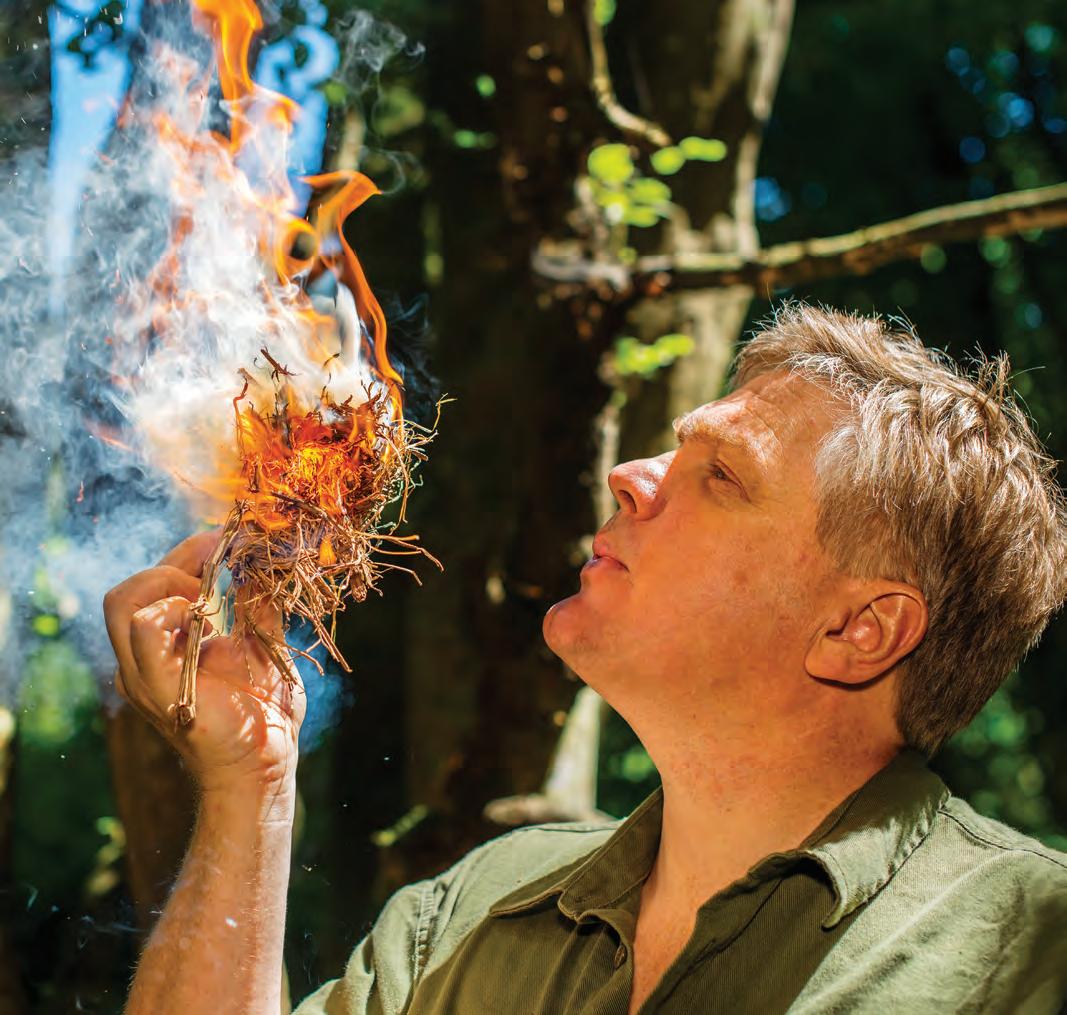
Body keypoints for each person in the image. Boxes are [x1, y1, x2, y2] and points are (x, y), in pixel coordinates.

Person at [103, 302, 1067, 1015]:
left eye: (722, 476)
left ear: (859, 630)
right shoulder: (472, 912)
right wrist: (251, 784)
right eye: (673, 451)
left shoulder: (1028, 952)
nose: (628, 475)